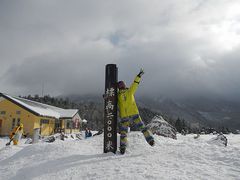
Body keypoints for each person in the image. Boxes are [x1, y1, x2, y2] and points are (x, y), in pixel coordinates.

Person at [118, 68, 155, 154]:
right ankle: (150, 140)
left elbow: (111, 98)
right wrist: (138, 76)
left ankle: (123, 147)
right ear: (124, 85)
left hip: (124, 115)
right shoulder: (129, 91)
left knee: (123, 132)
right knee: (142, 127)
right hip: (134, 113)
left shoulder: (118, 96)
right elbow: (135, 84)